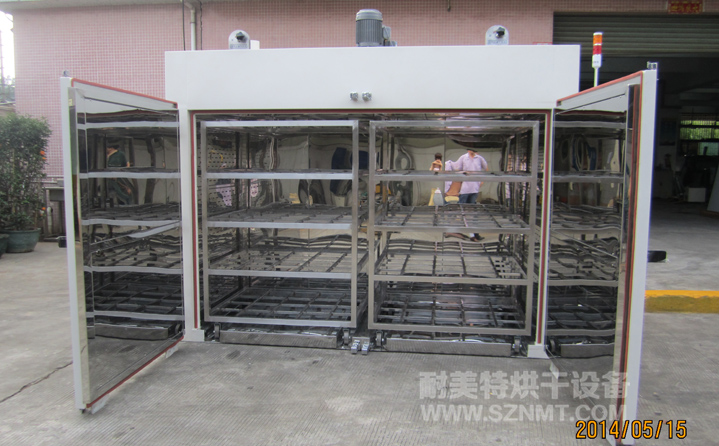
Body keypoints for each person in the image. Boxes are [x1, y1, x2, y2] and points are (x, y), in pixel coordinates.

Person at [446, 148, 488, 241]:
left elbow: (486, 169)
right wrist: (463, 172)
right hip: (465, 190)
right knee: (462, 212)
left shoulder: (479, 158)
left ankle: (474, 234)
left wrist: (482, 181)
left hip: (474, 189)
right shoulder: (463, 158)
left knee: (472, 213)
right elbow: (456, 169)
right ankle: (457, 231)